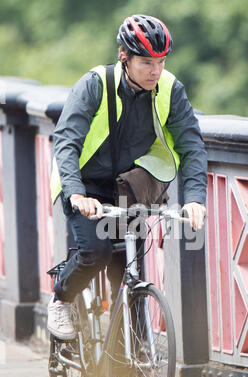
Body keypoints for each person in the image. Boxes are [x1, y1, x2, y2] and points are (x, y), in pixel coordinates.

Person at [48, 14, 207, 352]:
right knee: (96, 252)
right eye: (147, 62)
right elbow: (66, 142)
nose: (156, 71)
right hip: (83, 186)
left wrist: (194, 198)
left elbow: (191, 145)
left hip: (125, 189)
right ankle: (61, 298)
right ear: (125, 57)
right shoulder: (95, 84)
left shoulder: (169, 90)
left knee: (130, 278)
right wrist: (76, 193)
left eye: (161, 62)